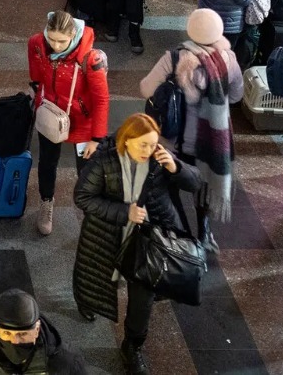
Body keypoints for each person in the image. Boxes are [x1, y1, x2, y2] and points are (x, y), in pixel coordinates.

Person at [72, 113, 202, 375]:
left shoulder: (159, 158)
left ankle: (132, 346)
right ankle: (88, 302)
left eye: (153, 144)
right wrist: (124, 212)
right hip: (107, 235)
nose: (149, 150)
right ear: (126, 141)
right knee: (95, 276)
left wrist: (176, 167)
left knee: (142, 298)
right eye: (142, 144)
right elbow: (83, 197)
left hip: (150, 240)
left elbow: (195, 182)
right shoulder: (104, 161)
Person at [137, 7, 244, 219]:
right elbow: (236, 97)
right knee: (203, 186)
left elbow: (145, 89)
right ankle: (203, 228)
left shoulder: (174, 59)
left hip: (173, 141)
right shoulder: (228, 60)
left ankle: (176, 225)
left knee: (170, 180)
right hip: (211, 142)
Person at [27, 10, 109, 237]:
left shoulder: (91, 59)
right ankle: (46, 203)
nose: (55, 45)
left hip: (82, 121)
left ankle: (89, 213)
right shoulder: (37, 43)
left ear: (74, 34)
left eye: (62, 41)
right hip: (52, 114)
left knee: (86, 172)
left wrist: (96, 137)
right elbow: (36, 76)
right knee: (47, 161)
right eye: (51, 38)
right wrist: (39, 99)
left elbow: (101, 99)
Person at [0, 288, 89, 375]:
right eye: (7, 333)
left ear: (37, 329)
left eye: (22, 334)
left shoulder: (68, 362)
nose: (15, 342)